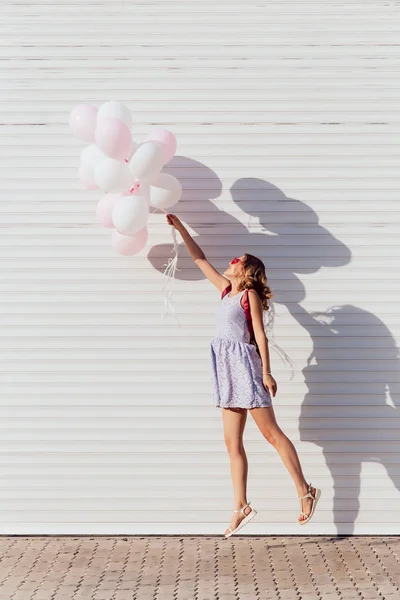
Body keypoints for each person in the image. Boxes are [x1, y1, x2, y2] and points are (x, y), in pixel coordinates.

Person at [166, 213, 321, 537]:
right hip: (226, 371)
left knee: (271, 434)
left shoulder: (247, 294)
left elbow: (261, 337)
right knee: (231, 443)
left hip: (247, 368)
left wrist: (266, 372)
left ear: (247, 272)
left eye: (238, 260)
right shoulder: (225, 291)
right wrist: (181, 227)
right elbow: (199, 259)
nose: (231, 261)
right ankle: (241, 506)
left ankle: (305, 491)